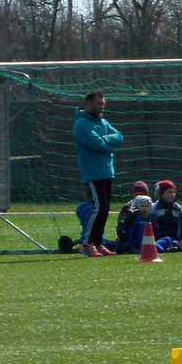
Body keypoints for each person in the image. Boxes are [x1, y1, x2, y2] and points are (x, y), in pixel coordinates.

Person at [72, 89, 124, 258]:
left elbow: (119, 137)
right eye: (99, 103)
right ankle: (86, 244)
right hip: (93, 172)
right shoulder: (81, 124)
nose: (102, 106)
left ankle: (98, 242)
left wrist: (106, 140)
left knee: (105, 209)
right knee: (98, 207)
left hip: (107, 170)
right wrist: (109, 145)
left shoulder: (103, 123)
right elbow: (96, 144)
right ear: (88, 104)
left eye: (103, 103)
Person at [115, 181, 153, 254]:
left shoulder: (150, 207)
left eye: (141, 194)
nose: (138, 197)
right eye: (136, 195)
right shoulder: (128, 208)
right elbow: (121, 226)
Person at [150, 179, 182, 245]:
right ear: (161, 194)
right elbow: (152, 225)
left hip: (176, 238)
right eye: (169, 192)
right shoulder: (155, 208)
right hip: (160, 239)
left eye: (173, 192)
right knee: (167, 240)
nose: (172, 195)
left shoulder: (178, 208)